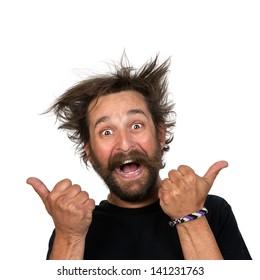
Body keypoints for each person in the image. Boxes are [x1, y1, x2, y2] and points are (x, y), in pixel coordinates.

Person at [27, 55, 251, 260]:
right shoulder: (74, 225)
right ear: (89, 151)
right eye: (106, 131)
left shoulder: (212, 211)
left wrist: (190, 217)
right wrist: (69, 237)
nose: (124, 144)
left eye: (136, 125)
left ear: (160, 135)